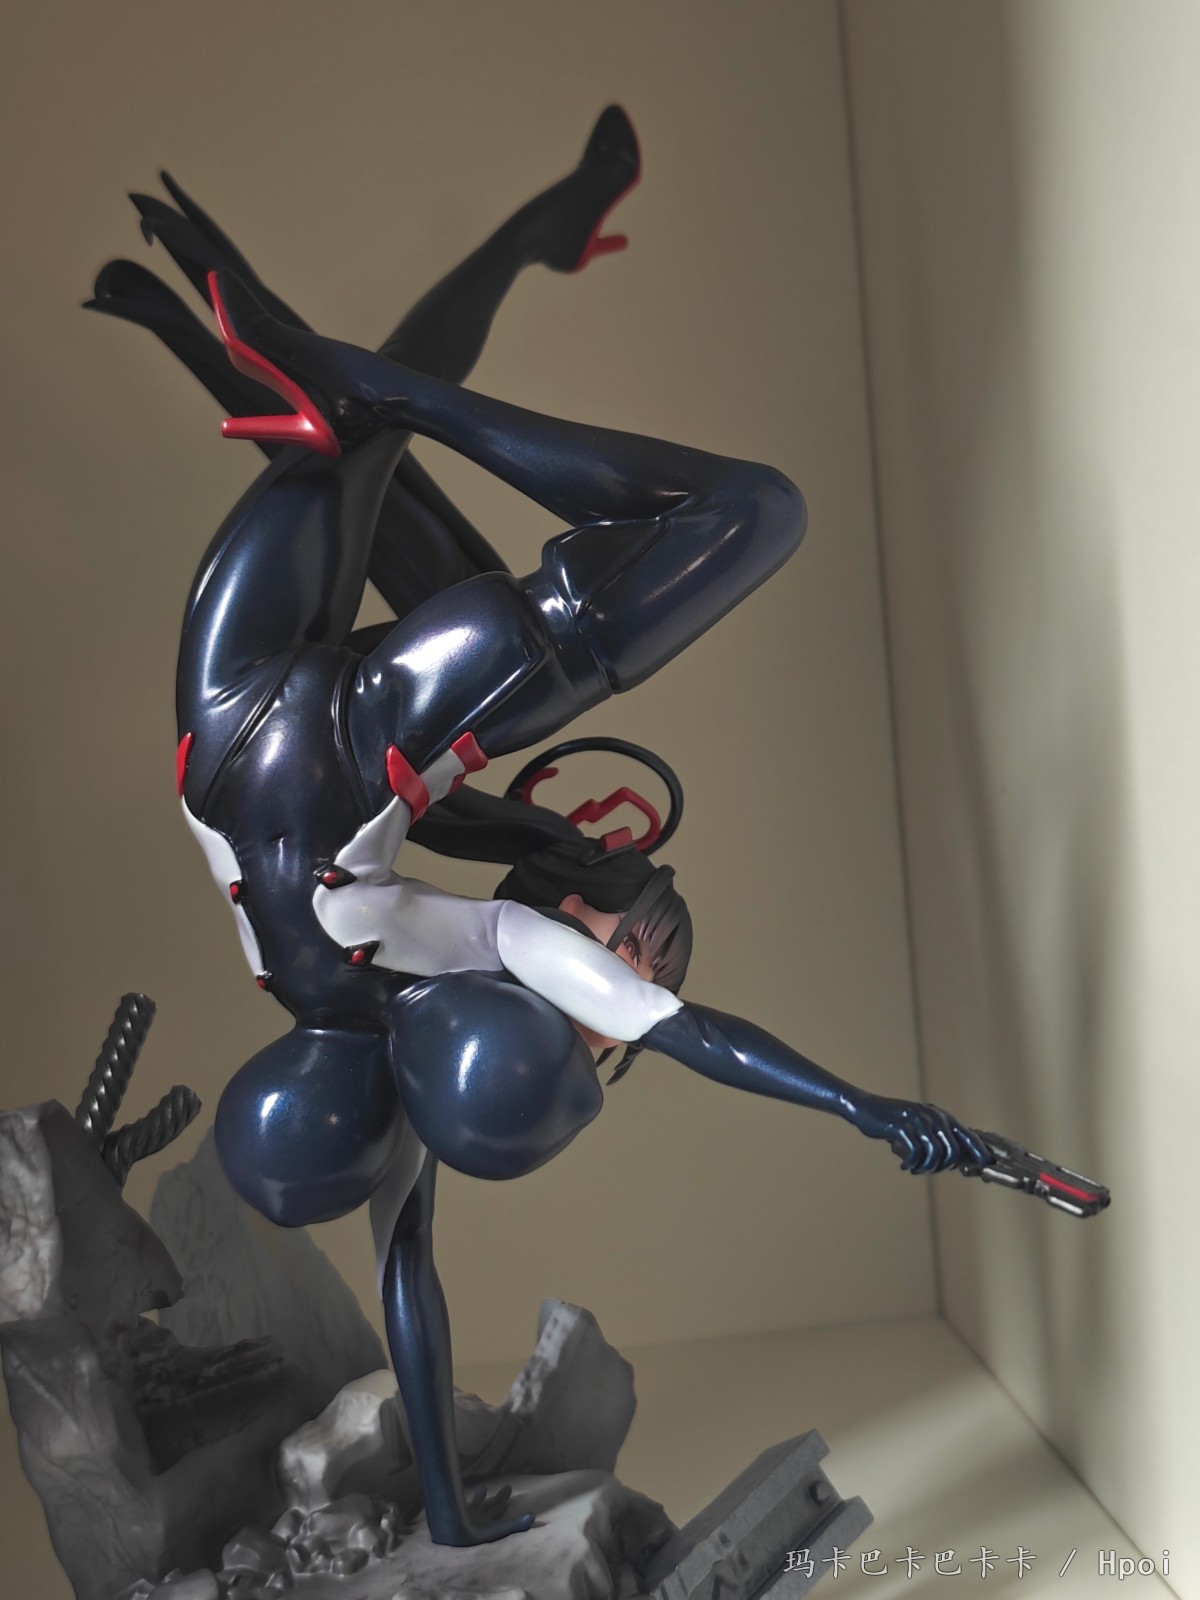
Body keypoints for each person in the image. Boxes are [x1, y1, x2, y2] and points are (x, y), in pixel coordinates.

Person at [90, 110, 989, 1547]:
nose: (597, 988)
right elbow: (411, 1285)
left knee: (749, 513)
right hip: (230, 703)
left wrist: (872, 1112)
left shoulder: (468, 948)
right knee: (355, 436)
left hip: (355, 726)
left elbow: (677, 1027)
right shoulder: (362, 1002)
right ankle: (461, 287)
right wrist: (448, 1523)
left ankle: (381, 349)